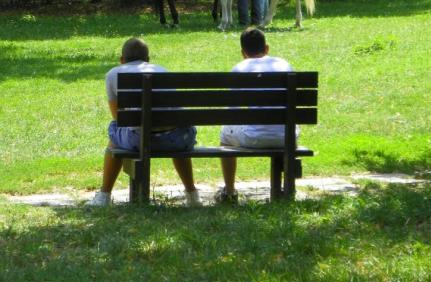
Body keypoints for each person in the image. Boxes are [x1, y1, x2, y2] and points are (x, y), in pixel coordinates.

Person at [88, 37, 201, 207]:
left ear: (121, 59)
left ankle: (104, 195)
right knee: (176, 128)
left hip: (137, 141)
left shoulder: (113, 74)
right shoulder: (164, 71)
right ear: (148, 60)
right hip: (176, 141)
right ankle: (192, 195)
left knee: (114, 128)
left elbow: (117, 117)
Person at [216, 28, 297, 202]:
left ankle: (229, 192)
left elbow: (232, 113)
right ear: (266, 48)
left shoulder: (239, 68)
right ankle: (288, 190)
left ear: (243, 52)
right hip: (288, 137)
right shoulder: (285, 65)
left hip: (254, 138)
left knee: (225, 134)